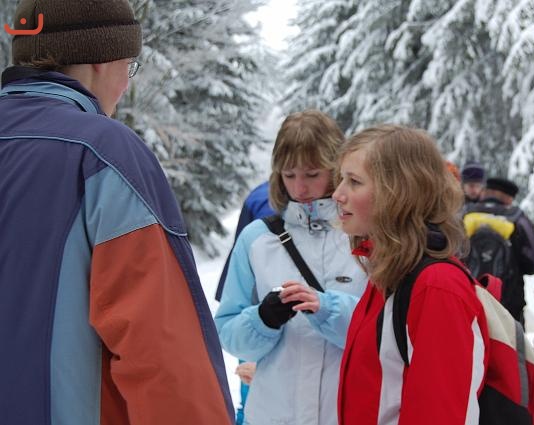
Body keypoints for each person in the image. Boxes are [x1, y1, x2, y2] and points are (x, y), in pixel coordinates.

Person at [0, 1, 233, 423]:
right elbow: (161, 352)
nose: (126, 84)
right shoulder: (102, 154)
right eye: (130, 66)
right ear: (101, 59)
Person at [214, 109, 367, 425]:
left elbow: (384, 331)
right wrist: (263, 320)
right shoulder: (257, 239)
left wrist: (328, 308)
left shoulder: (363, 235)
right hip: (273, 414)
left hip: (347, 413)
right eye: (289, 174)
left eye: (311, 174)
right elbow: (227, 333)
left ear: (336, 168)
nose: (299, 188)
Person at [333, 125, 491, 424]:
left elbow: (441, 415)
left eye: (354, 182)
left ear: (398, 192)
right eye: (341, 179)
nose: (337, 194)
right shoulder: (389, 274)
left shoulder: (436, 287)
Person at [214, 181, 274, 425]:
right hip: (255, 310)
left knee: (250, 400)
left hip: (251, 309)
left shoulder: (257, 196)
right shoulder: (262, 199)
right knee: (251, 394)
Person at [466, 176, 534, 325]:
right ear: (508, 198)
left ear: (486, 192)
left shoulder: (466, 215)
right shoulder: (517, 219)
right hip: (508, 309)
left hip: (468, 304)